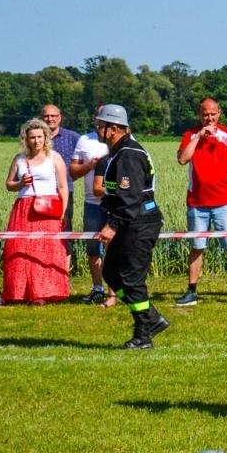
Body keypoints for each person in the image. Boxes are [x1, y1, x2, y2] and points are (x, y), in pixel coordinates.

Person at [94, 105, 170, 348]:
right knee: (111, 273)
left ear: (114, 129)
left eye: (100, 126)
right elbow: (117, 193)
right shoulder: (119, 152)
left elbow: (130, 197)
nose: (97, 130)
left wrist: (112, 225)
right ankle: (151, 317)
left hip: (139, 222)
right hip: (130, 220)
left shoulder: (128, 154)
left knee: (131, 278)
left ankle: (143, 334)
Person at [175, 97, 227, 308]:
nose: (209, 118)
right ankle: (191, 292)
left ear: (219, 113)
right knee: (197, 247)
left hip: (225, 202)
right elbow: (182, 159)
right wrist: (198, 137)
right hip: (197, 203)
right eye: (205, 114)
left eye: (212, 114)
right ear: (199, 115)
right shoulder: (190, 134)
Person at [0, 119, 71, 306]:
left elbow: (63, 186)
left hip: (48, 208)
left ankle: (44, 292)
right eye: (32, 137)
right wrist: (20, 183)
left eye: (39, 137)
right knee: (19, 249)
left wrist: (63, 211)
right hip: (24, 208)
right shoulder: (19, 159)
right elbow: (9, 184)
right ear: (26, 139)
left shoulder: (54, 157)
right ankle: (15, 292)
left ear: (46, 137)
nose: (36, 141)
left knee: (46, 251)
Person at [68, 106, 114, 305]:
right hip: (91, 203)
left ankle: (113, 292)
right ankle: (97, 288)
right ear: (95, 118)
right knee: (93, 248)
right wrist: (90, 165)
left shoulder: (123, 139)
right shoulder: (84, 140)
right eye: (99, 115)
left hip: (114, 204)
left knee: (113, 248)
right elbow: (73, 171)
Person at [41, 103, 81, 236]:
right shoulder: (36, 137)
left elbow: (83, 156)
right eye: (46, 116)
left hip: (65, 190)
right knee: (42, 226)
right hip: (40, 190)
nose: (50, 119)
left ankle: (66, 250)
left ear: (60, 118)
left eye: (53, 116)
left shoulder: (72, 137)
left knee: (65, 225)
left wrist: (75, 173)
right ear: (41, 118)